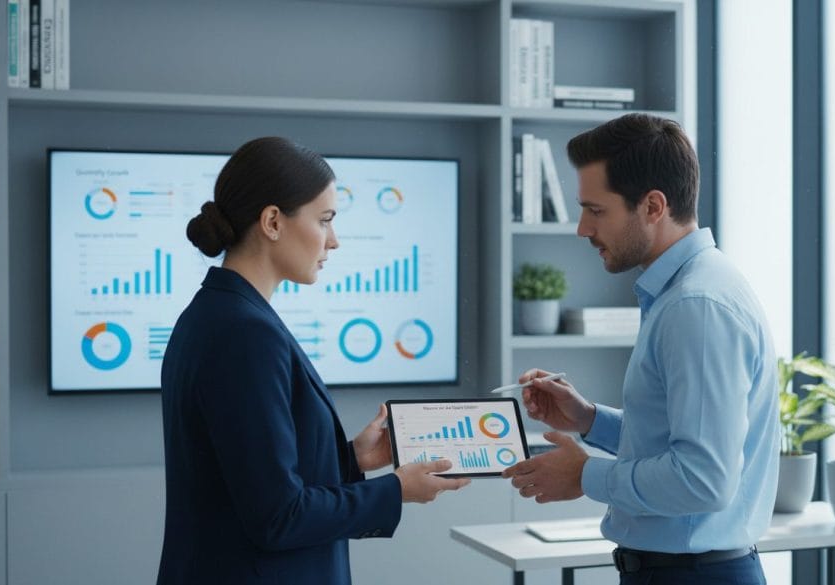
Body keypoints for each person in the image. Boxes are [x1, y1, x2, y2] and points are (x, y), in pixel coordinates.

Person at [157, 137, 470, 585]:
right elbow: (278, 516)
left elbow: (251, 477)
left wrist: (352, 460)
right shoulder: (244, 333)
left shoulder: (219, 313)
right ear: (272, 221)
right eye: (324, 221)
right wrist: (397, 490)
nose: (334, 241)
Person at [502, 114, 778, 585]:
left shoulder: (697, 306)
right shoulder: (685, 293)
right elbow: (680, 439)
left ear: (653, 206)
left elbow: (702, 479)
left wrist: (585, 476)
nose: (582, 229)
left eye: (596, 210)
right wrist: (589, 419)